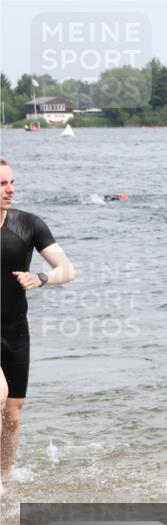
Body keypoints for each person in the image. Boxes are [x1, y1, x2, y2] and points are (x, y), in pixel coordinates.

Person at [1, 159, 76, 494]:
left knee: (13, 414)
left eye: (12, 182)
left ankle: (3, 481)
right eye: (2, 184)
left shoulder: (29, 224)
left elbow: (67, 269)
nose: (11, 190)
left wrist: (42, 278)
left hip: (15, 331)